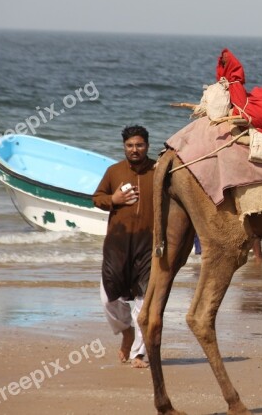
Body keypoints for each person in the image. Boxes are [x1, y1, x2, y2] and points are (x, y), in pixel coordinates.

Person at [93, 125, 156, 369]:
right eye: (130, 146)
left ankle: (139, 354)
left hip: (148, 244)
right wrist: (114, 200)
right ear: (124, 147)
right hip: (117, 243)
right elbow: (97, 198)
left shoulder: (158, 171)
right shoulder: (114, 171)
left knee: (143, 300)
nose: (135, 150)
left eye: (139, 145)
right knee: (108, 298)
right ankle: (125, 331)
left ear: (147, 146)